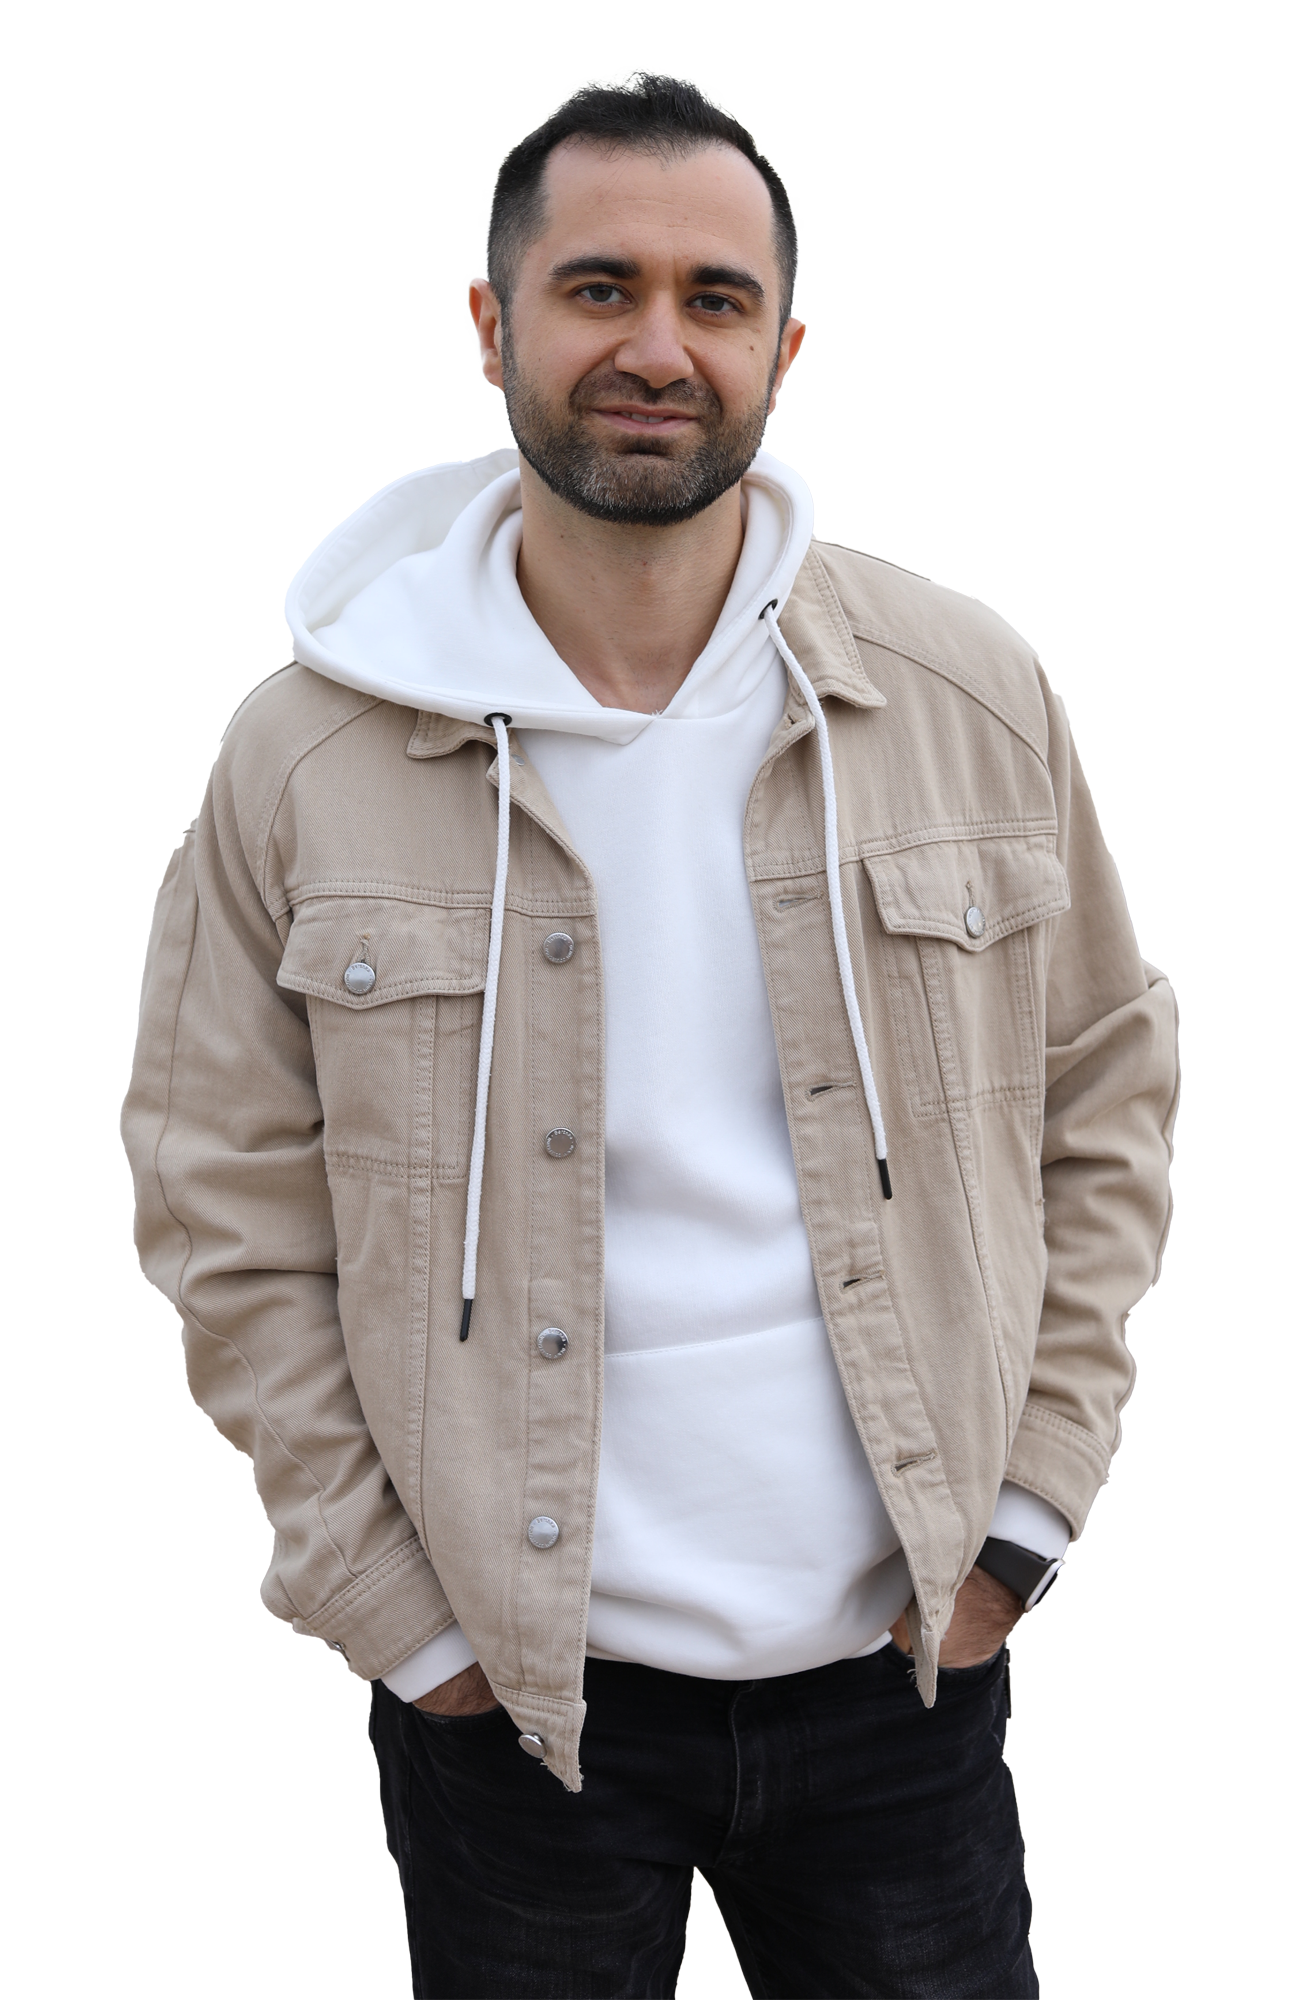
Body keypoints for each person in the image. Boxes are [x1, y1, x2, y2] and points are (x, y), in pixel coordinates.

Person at [124, 70, 1179, 2000]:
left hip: (901, 1667)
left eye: (715, 299)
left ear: (787, 348)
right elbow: (223, 1207)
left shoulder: (968, 702)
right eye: (599, 287)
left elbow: (1103, 1097)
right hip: (517, 1703)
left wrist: (1024, 1521)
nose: (656, 347)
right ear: (492, 324)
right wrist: (402, 1622)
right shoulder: (307, 754)